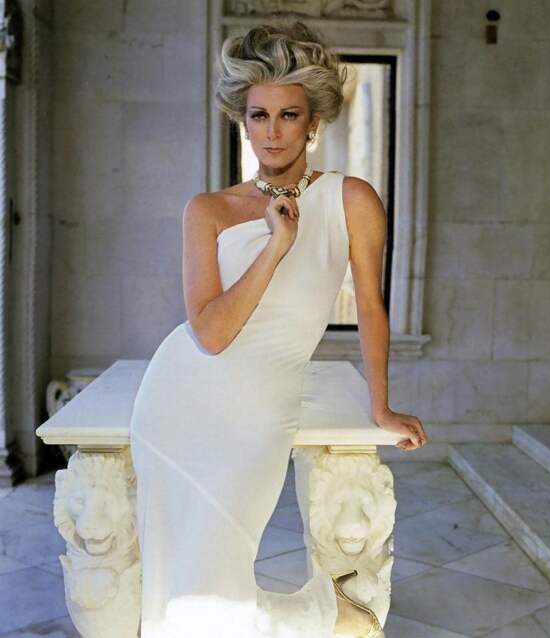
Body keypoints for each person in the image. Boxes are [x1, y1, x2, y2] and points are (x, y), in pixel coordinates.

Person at [129, 15, 428, 638]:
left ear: (313, 122)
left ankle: (331, 613)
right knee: (179, 581)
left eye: (288, 115)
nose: (272, 131)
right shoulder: (208, 210)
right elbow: (211, 334)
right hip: (179, 401)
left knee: (216, 581)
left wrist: (382, 406)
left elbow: (371, 307)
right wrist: (275, 245)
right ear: (243, 121)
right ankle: (330, 616)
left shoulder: (352, 199)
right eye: (259, 115)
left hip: (262, 406)